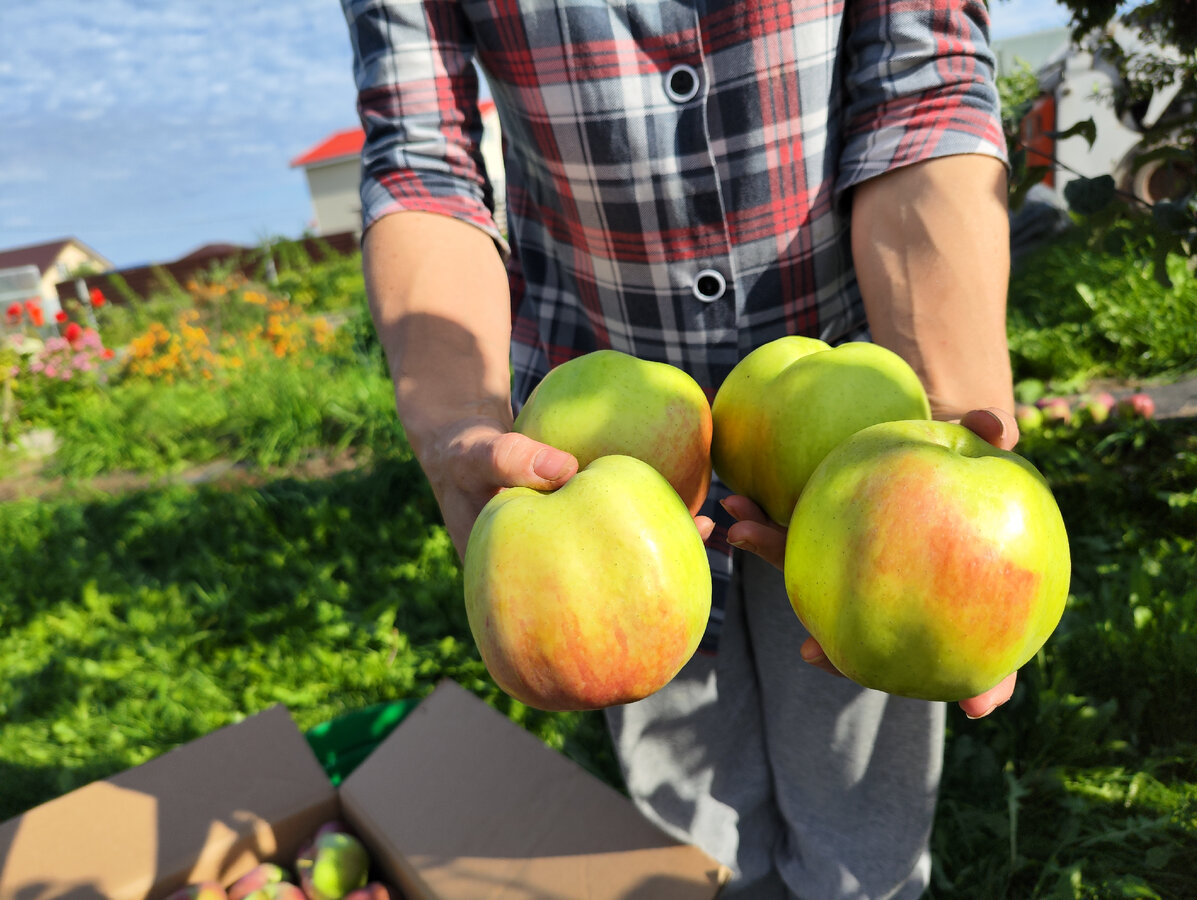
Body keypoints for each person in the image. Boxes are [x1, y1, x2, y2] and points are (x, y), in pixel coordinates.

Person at [340, 0, 1020, 895]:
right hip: (580, 460)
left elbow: (924, 87)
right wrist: (455, 426)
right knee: (690, 836)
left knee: (860, 822)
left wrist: (945, 417)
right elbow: (422, 155)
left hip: (853, 460)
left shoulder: (879, 468)